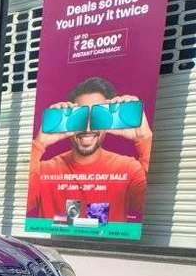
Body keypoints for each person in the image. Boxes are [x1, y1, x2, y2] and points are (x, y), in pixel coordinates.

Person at [28, 76, 152, 223]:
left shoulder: (129, 169)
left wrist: (144, 137)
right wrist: (39, 144)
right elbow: (21, 202)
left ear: (109, 120)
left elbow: (151, 206)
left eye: (97, 116)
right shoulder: (43, 170)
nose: (87, 128)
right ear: (68, 119)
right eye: (80, 117)